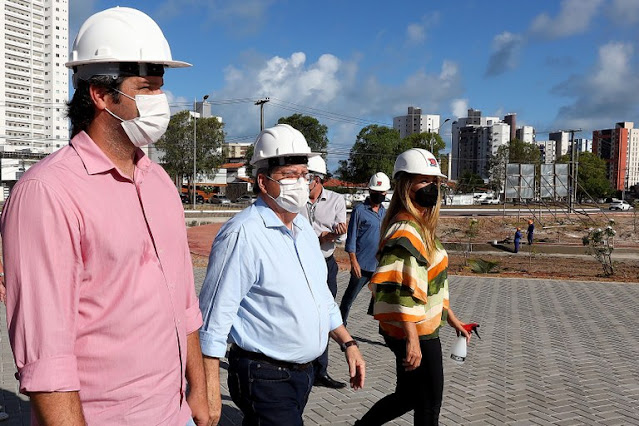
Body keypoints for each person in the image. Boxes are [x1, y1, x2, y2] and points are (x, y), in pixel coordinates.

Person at [0, 7, 209, 425]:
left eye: (160, 88)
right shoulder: (47, 193)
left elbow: (182, 302)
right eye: (147, 88)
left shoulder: (160, 183)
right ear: (100, 94)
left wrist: (199, 389)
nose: (160, 102)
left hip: (175, 413)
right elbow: (46, 358)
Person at [199, 124, 365, 426]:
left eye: (305, 175)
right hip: (263, 376)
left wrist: (348, 343)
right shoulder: (242, 235)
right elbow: (212, 321)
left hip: (302, 375)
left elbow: (321, 297)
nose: (301, 183)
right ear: (263, 181)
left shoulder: (302, 229)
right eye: (290, 176)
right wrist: (209, 391)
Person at [356, 148, 471, 426]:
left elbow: (432, 284)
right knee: (429, 403)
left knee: (409, 395)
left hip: (421, 327)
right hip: (417, 330)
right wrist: (412, 339)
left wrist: (453, 319)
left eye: (435, 182)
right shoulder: (405, 229)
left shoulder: (419, 226)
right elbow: (399, 287)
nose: (431, 188)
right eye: (423, 181)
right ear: (406, 185)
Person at [300, 155, 348, 389]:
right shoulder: (295, 200)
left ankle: (321, 370)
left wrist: (327, 237)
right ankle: (300, 366)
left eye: (307, 178)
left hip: (325, 264)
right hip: (299, 265)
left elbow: (341, 234)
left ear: (318, 180)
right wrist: (324, 236)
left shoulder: (337, 200)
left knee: (324, 316)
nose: (303, 183)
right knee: (300, 315)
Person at [339, 172, 389, 325]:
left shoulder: (384, 213)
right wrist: (353, 262)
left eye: (382, 192)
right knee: (349, 298)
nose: (379, 195)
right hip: (361, 266)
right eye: (376, 192)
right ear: (370, 191)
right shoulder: (359, 211)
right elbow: (352, 237)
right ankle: (340, 326)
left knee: (383, 303)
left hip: (379, 266)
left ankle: (387, 332)